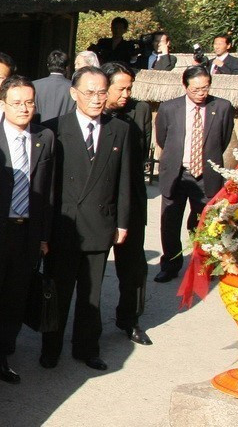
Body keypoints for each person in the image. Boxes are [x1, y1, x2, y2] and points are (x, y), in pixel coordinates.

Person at [40, 66, 132, 372]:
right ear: (74, 93)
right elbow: (47, 185)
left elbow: (124, 181)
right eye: (89, 92)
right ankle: (50, 348)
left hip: (100, 222)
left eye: (102, 92)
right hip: (64, 225)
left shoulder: (120, 129)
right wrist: (45, 230)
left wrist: (122, 222)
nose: (96, 99)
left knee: (91, 295)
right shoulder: (54, 129)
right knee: (58, 292)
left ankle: (87, 348)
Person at [0, 76, 55, 387]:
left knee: (14, 298)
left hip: (27, 232)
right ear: (3, 104)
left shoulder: (44, 137)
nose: (24, 108)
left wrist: (44, 235)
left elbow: (48, 192)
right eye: (17, 102)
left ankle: (1, 356)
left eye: (29, 102)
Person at [154, 65, 234, 283]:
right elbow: (162, 138)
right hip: (177, 173)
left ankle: (203, 265)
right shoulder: (170, 108)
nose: (201, 93)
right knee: (170, 221)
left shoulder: (223, 107)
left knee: (205, 222)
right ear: (185, 86)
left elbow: (223, 139)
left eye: (205, 88)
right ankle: (170, 264)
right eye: (196, 89)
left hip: (206, 175)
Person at [101, 63, 153, 346]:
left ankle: (130, 319)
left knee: (133, 268)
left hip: (131, 199)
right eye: (120, 88)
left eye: (129, 88)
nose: (126, 94)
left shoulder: (139, 111)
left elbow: (140, 156)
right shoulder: (93, 112)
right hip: (99, 203)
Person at [33, 50, 76, 122]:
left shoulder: (34, 85)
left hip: (40, 130)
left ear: (48, 65)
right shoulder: (74, 88)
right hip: (64, 129)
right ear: (67, 67)